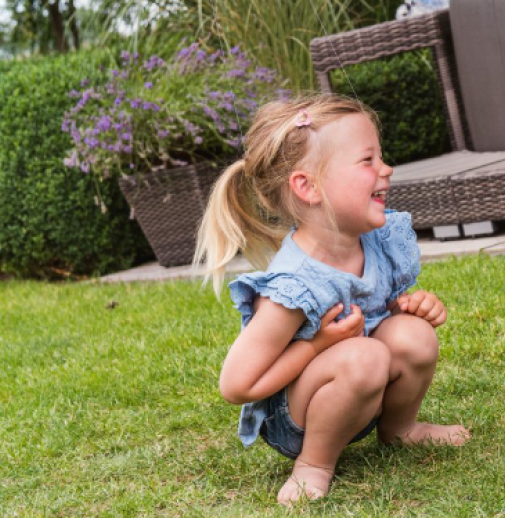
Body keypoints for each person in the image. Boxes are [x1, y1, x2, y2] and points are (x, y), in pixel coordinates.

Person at [194, 95, 469, 506]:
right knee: (365, 357)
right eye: (368, 160)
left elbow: (381, 315)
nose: (386, 169)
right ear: (309, 187)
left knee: (414, 335)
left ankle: (400, 429)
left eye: (381, 157)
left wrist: (408, 309)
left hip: (361, 389)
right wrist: (317, 344)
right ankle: (314, 464)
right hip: (298, 418)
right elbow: (237, 385)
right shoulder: (294, 284)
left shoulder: (375, 243)